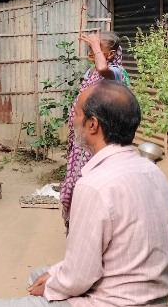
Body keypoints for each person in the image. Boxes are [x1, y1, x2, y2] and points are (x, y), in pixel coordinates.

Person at [0, 81, 168, 307]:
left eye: (76, 114)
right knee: (40, 274)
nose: (73, 121)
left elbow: (80, 277)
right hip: (153, 297)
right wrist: (54, 276)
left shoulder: (95, 186)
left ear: (93, 124)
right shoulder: (154, 172)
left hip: (113, 302)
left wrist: (52, 285)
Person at [60, 30, 127, 230]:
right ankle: (78, 225)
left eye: (96, 48)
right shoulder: (89, 73)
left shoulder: (116, 72)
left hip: (103, 140)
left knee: (98, 184)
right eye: (90, 48)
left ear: (112, 54)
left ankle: (97, 228)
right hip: (84, 139)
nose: (91, 52)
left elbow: (102, 68)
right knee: (78, 184)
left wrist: (97, 47)